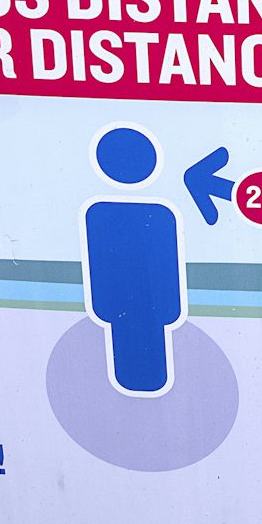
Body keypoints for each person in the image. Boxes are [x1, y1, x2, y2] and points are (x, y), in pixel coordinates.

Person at [82, 125, 183, 396]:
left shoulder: (100, 213)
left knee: (144, 364)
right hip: (132, 310)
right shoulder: (158, 214)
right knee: (135, 364)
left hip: (130, 310)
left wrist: (106, 307)